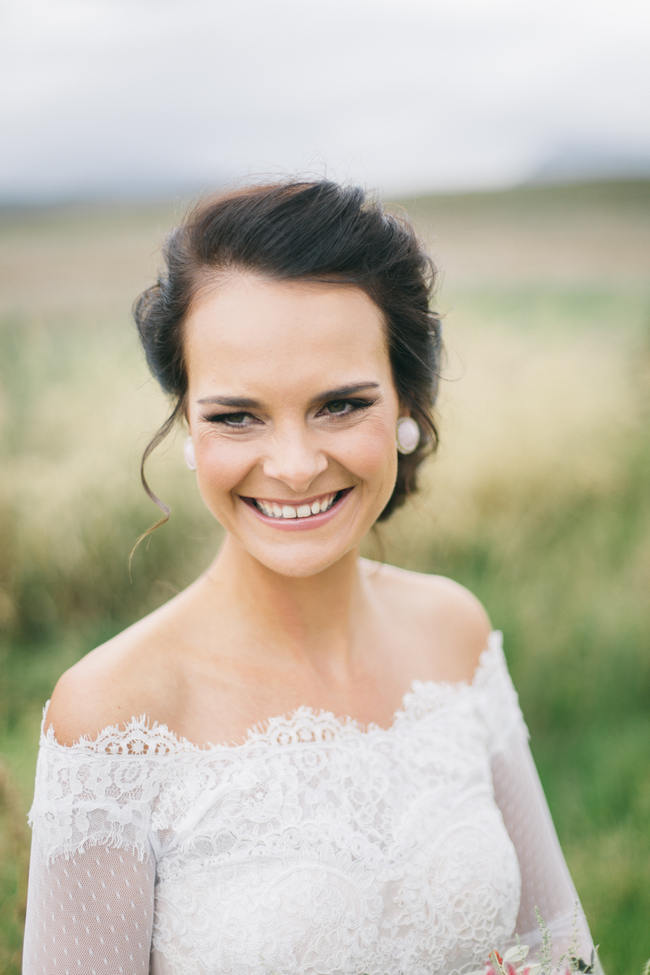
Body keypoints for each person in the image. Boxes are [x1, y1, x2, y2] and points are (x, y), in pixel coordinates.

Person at [22, 180, 600, 975]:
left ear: (406, 403)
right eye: (237, 415)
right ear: (188, 422)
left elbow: (563, 949)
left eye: (338, 404)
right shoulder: (113, 713)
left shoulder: (454, 630)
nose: (294, 466)